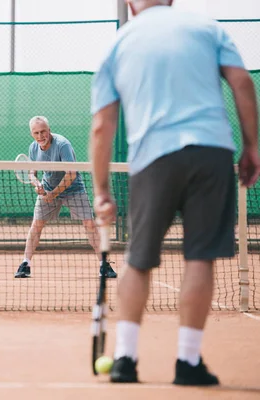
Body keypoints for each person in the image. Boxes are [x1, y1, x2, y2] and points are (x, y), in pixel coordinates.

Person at [90, 0, 260, 386]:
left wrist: (101, 189)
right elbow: (243, 82)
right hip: (212, 152)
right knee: (200, 259)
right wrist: (251, 146)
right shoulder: (208, 28)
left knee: (137, 259)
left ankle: (125, 360)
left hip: (153, 159)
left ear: (131, 5)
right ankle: (187, 362)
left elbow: (102, 125)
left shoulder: (118, 44)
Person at [14, 116, 118, 279]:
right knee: (36, 225)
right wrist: (36, 184)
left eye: (43, 132)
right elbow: (32, 172)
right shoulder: (33, 148)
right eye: (36, 133)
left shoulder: (63, 145)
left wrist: (53, 194)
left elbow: (71, 174)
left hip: (73, 189)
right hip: (47, 187)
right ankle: (25, 263)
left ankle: (104, 264)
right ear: (31, 134)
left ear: (49, 130)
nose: (40, 136)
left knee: (89, 224)